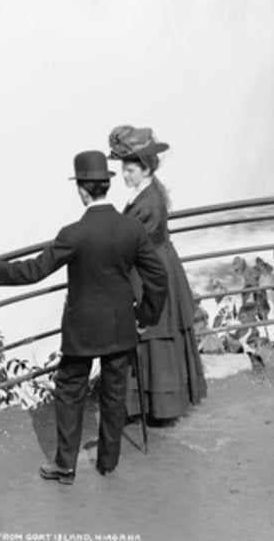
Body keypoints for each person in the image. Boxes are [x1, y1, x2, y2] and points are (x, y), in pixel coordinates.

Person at [0, 151, 167, 484]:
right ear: (107, 185)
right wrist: (144, 315)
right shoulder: (131, 228)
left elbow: (34, 271)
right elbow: (158, 278)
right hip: (121, 323)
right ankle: (108, 461)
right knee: (114, 390)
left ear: (81, 189)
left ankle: (65, 465)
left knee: (69, 390)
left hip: (83, 330)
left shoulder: (73, 233)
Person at [108, 125, 207, 424]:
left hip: (150, 269)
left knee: (154, 331)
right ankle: (156, 404)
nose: (126, 175)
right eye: (124, 169)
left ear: (145, 168)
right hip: (158, 262)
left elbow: (133, 242)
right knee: (157, 332)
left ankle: (158, 407)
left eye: (131, 170)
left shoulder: (148, 201)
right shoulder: (149, 192)